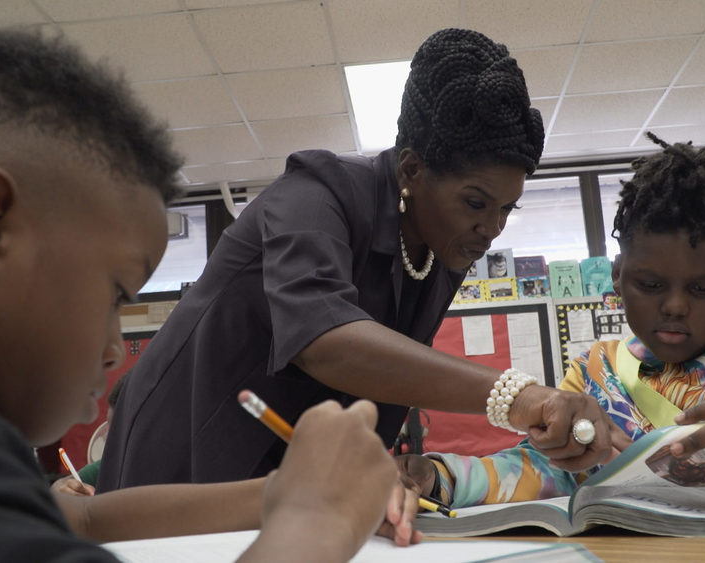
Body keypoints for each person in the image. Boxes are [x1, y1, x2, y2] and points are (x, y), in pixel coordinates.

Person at [0, 23, 415, 561]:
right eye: (115, 295)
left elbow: (86, 518)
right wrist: (319, 521)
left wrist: (287, 492)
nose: (115, 350)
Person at [100, 27, 617, 493]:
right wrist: (518, 396)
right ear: (411, 170)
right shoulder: (314, 195)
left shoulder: (443, 248)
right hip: (183, 447)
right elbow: (325, 342)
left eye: (507, 208)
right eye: (476, 203)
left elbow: (383, 382)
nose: (493, 227)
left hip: (284, 467)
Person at [395, 133, 705, 508]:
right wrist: (438, 476)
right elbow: (547, 469)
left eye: (703, 289)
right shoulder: (596, 374)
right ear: (618, 279)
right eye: (650, 284)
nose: (675, 306)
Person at [52, 373, 129, 495]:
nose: (106, 439)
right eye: (109, 428)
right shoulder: (109, 466)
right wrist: (61, 488)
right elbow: (63, 487)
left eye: (117, 431)